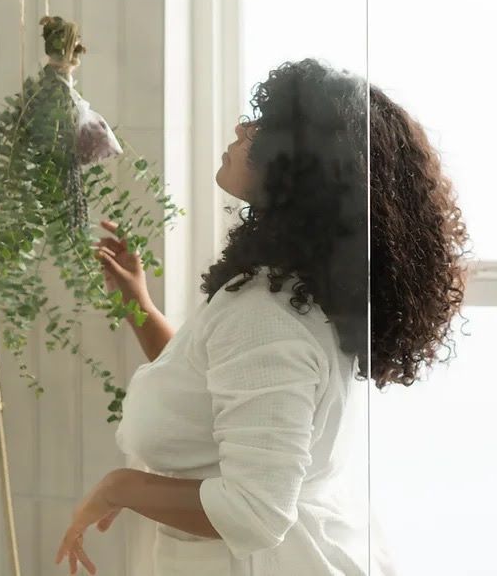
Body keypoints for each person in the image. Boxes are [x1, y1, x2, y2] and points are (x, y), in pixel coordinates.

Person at [64, 58, 471, 576]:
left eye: (263, 121)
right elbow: (221, 394)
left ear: (299, 165)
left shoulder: (266, 313)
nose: (242, 127)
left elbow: (255, 514)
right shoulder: (292, 289)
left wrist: (120, 487)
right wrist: (139, 308)